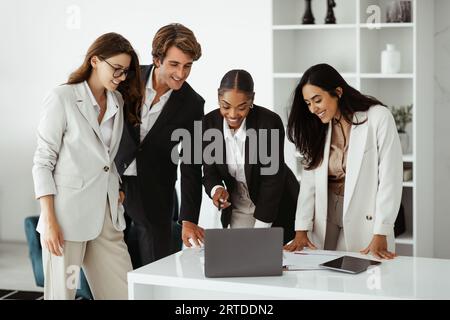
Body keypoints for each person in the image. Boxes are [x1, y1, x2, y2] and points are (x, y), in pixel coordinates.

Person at [32, 32, 144, 299]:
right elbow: (42, 161)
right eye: (116, 69)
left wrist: (116, 188)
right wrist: (48, 219)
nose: (120, 77)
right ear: (95, 60)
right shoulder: (63, 98)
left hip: (106, 217)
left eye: (125, 72)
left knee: (124, 293)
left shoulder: (116, 101)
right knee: (62, 295)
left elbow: (108, 159)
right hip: (66, 218)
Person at [283, 63, 403, 259]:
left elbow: (390, 179)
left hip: (364, 216)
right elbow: (309, 182)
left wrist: (382, 231)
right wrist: (301, 229)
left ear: (338, 92)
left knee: (365, 280)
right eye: (308, 103)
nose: (313, 109)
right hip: (326, 214)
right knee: (323, 278)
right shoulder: (318, 126)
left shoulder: (378, 117)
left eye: (317, 100)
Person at [115, 23, 204, 267]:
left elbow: (192, 163)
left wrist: (188, 218)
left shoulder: (193, 104)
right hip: (112, 182)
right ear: (157, 59)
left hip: (156, 193)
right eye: (174, 64)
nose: (182, 74)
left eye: (188, 66)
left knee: (157, 269)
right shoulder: (126, 79)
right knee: (109, 267)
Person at [182, 69, 299, 246]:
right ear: (218, 98)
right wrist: (216, 189)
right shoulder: (206, 125)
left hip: (275, 202)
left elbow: (272, 180)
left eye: (242, 107)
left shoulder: (269, 123)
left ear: (252, 100)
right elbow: (208, 171)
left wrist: (260, 234)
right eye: (226, 106)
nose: (233, 114)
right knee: (240, 256)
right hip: (238, 202)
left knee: (271, 258)